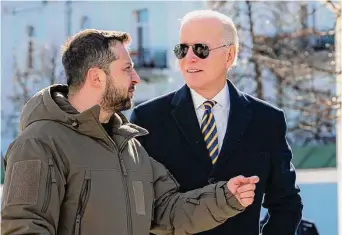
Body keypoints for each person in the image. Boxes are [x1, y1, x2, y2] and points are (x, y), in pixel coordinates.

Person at [0, 29, 259, 235]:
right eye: (126, 69)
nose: (136, 77)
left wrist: (225, 197)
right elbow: (24, 226)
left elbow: (165, 211)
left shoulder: (129, 147)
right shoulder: (39, 143)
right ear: (96, 77)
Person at [130, 10, 303, 235]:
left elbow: (286, 202)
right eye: (182, 49)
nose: (189, 58)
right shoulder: (147, 119)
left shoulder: (267, 120)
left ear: (229, 56)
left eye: (200, 49)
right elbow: (139, 208)